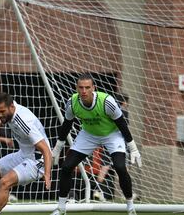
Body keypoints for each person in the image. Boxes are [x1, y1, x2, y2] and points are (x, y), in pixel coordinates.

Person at [51, 73, 142, 215]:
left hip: (112, 135)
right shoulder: (72, 103)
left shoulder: (107, 102)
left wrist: (133, 147)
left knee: (120, 167)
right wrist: (57, 148)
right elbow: (67, 125)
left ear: (94, 88)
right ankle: (61, 208)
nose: (84, 91)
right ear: (76, 88)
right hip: (88, 135)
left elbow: (122, 124)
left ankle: (130, 206)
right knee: (66, 166)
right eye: (81, 87)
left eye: (87, 87)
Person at [0, 92, 53, 215]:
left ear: (11, 107)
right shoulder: (9, 108)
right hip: (22, 154)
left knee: (4, 183)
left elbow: (46, 150)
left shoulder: (24, 121)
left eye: (2, 111)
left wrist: (47, 174)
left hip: (37, 160)